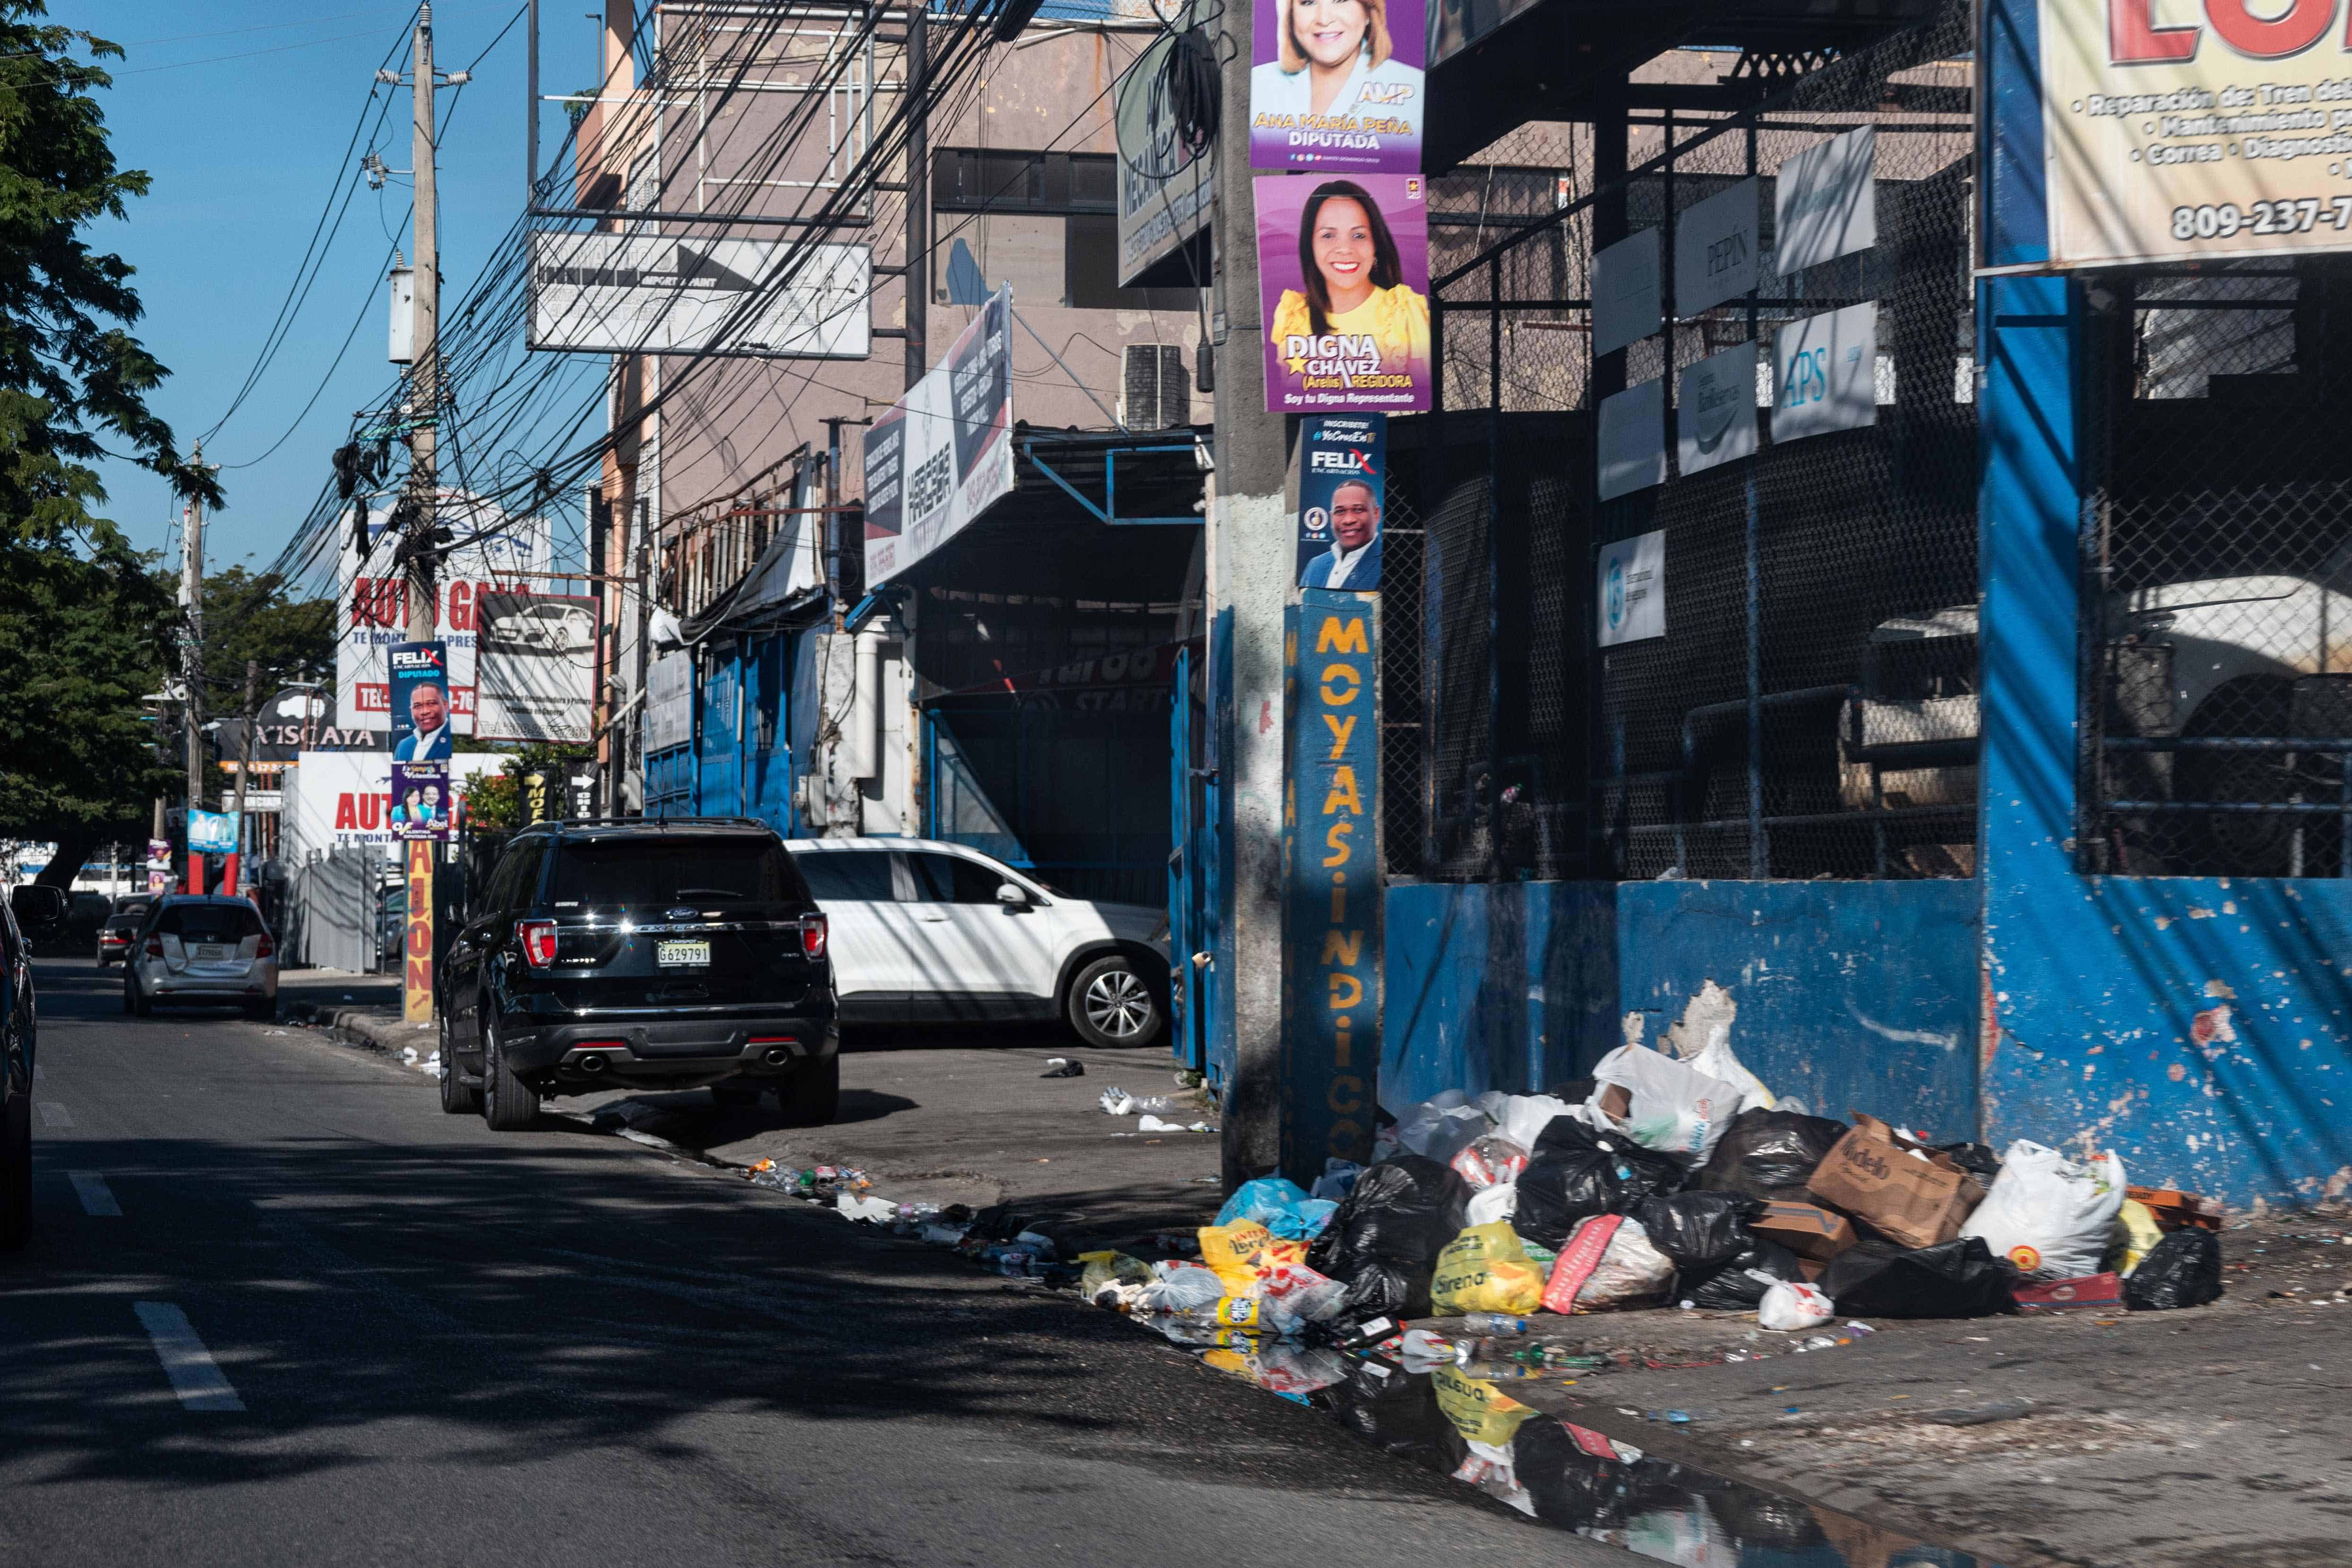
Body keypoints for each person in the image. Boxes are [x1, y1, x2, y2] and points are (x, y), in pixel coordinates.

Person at [1269, 180, 1430, 375]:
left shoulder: (1405, 312)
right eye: (1328, 236)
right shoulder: (1292, 315)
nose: (1345, 249)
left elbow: (1418, 385)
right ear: (1310, 245)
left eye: (1359, 235)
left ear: (1376, 244)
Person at [1250, 0, 1421, 129]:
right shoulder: (1263, 82)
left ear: (1369, 9)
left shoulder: (1409, 83)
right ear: (1290, 14)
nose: (1324, 19)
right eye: (1309, 1)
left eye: (1340, 0)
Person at [1301, 477, 1382, 589]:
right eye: (1340, 511)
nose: (1349, 520)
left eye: (1358, 510)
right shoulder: (1315, 566)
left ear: (1376, 514)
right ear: (1331, 517)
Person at [394, 681, 453, 761]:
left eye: (431, 703)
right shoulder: (403, 746)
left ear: (445, 705)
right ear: (411, 710)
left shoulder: (452, 739)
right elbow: (397, 773)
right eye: (417, 706)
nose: (425, 711)